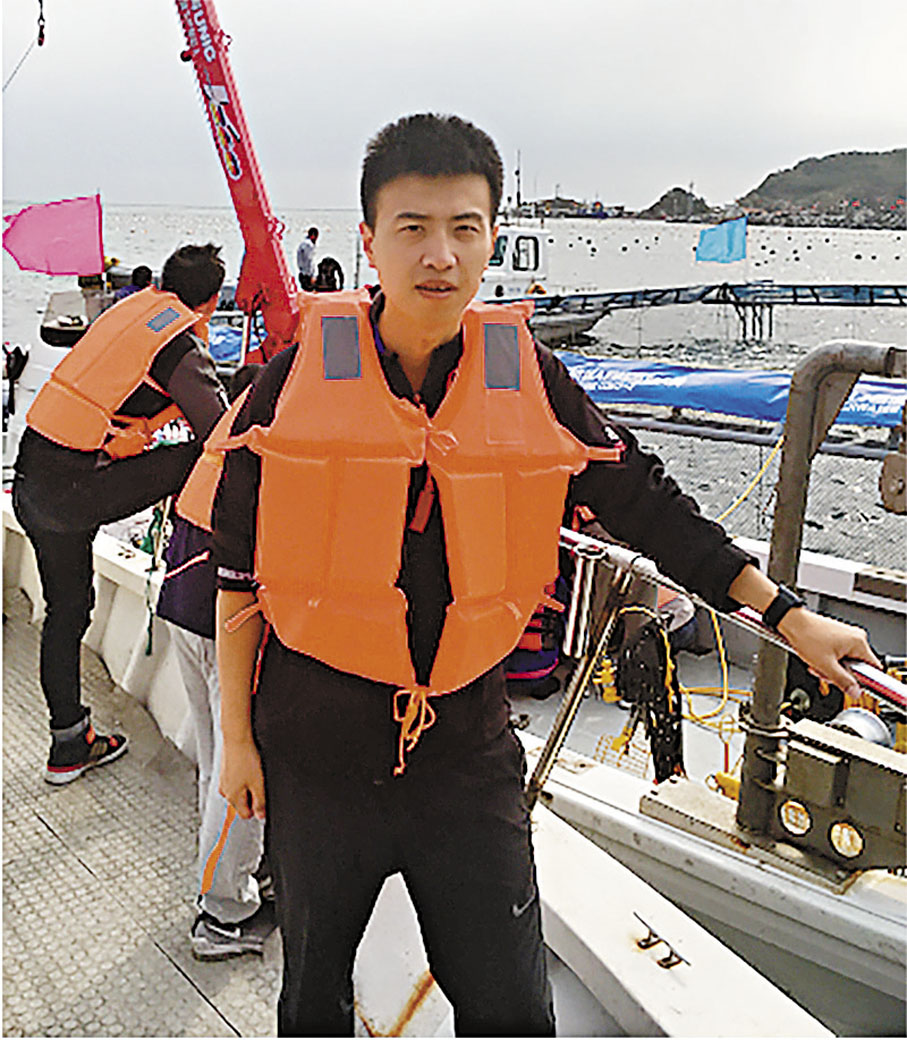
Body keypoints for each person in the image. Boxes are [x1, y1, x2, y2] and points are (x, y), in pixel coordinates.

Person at [180, 114, 878, 1036]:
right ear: (370, 241)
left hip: (466, 748)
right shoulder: (290, 382)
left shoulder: (531, 377)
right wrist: (237, 741)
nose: (439, 255)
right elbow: (236, 580)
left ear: (492, 240)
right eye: (413, 228)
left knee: (511, 1008)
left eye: (463, 228)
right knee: (312, 997)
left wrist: (787, 617)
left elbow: (647, 505)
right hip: (316, 745)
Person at [13, 243, 229, 785]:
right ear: (209, 303)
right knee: (194, 458)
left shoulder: (130, 310)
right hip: (75, 491)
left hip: (33, 477)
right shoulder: (178, 344)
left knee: (67, 613)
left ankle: (69, 743)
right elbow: (218, 430)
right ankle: (202, 560)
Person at [157, 364, 270, 960]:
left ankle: (228, 875)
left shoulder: (233, 426)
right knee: (240, 771)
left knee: (214, 760)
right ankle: (222, 914)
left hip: (181, 601)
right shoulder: (280, 432)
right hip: (223, 618)